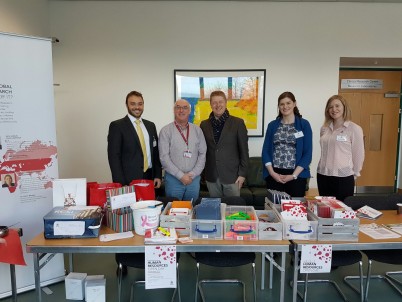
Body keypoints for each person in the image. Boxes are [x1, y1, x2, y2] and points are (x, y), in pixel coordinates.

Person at [262, 91, 312, 197]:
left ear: (294, 104)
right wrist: (272, 173)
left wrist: (293, 175)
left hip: (296, 175)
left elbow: (307, 154)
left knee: (294, 210)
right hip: (275, 175)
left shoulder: (304, 124)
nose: (285, 106)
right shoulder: (272, 125)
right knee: (274, 209)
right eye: (282, 104)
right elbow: (265, 151)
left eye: (288, 103)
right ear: (279, 106)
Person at [107, 90, 162, 188]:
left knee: (149, 203)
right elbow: (114, 157)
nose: (137, 107)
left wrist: (158, 175)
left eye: (140, 104)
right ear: (126, 105)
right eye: (133, 104)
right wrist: (121, 183)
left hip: (150, 178)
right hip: (128, 180)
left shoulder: (150, 125)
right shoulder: (117, 126)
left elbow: (155, 152)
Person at [200, 90, 249, 197]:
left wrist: (242, 174)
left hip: (232, 177)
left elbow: (244, 151)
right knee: (215, 209)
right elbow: (202, 150)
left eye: (220, 102)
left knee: (233, 211)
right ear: (210, 105)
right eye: (214, 102)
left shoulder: (238, 123)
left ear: (226, 103)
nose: (218, 105)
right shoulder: (204, 125)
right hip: (211, 176)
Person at [317, 94, 364, 201]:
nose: (334, 109)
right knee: (325, 209)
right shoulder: (324, 128)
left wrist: (355, 173)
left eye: (337, 106)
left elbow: (358, 153)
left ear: (344, 107)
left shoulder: (354, 129)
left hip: (343, 177)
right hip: (323, 175)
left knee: (342, 211)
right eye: (330, 107)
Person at [159, 99, 207, 201]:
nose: (181, 110)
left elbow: (202, 154)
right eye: (178, 107)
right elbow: (164, 157)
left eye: (185, 108)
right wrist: (180, 175)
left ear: (189, 111)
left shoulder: (197, 130)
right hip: (173, 180)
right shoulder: (165, 131)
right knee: (174, 211)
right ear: (174, 110)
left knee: (192, 209)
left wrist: (193, 174)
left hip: (193, 180)